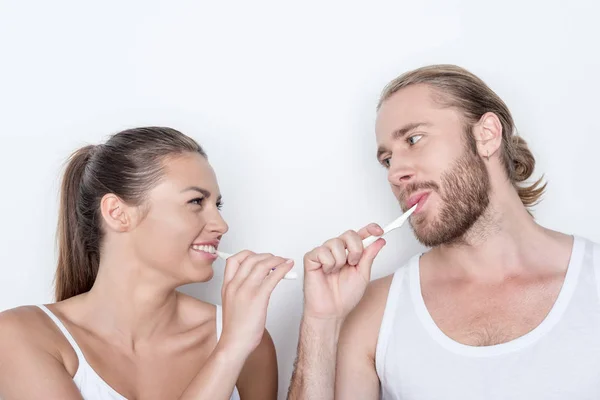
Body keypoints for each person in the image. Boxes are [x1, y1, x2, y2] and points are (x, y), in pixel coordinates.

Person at [287, 64, 600, 399]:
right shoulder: (374, 313)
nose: (396, 173)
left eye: (414, 139)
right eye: (387, 160)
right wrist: (321, 323)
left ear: (487, 135)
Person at [0, 127, 293, 400]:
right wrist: (229, 351)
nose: (221, 225)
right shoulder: (20, 337)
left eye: (216, 205)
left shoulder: (249, 340)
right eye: (195, 202)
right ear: (117, 213)